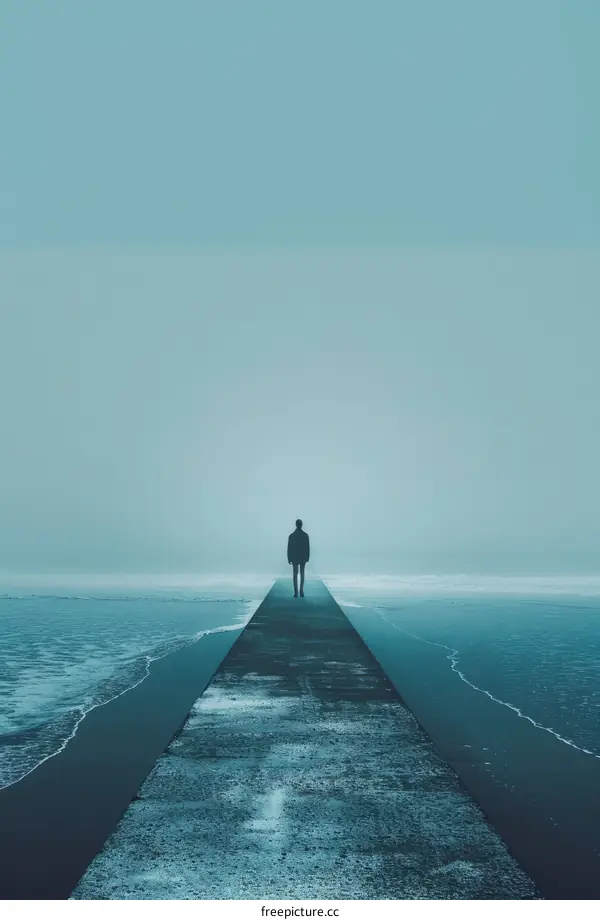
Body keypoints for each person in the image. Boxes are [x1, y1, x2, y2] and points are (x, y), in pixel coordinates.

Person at [287, 518, 310, 597]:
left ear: (296, 525)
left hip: (294, 557)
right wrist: (307, 557)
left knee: (295, 574)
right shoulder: (305, 535)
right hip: (303, 557)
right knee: (302, 573)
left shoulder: (291, 536)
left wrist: (289, 558)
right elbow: (307, 548)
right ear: (301, 525)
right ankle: (301, 591)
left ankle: (296, 592)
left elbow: (289, 548)